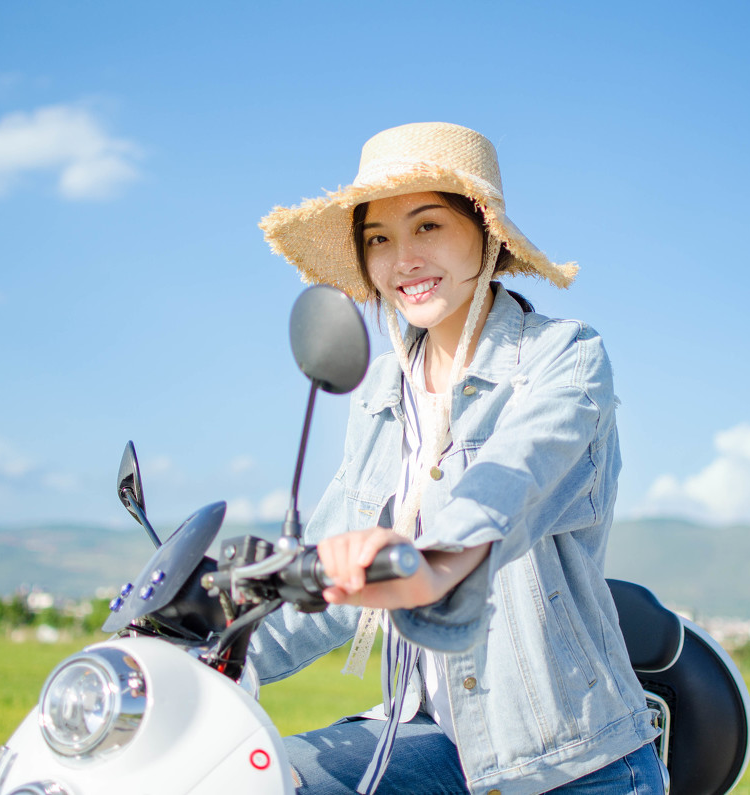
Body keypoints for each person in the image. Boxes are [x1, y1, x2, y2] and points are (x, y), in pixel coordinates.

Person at [251, 122, 665, 795]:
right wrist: (211, 646)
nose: (402, 259)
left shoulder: (563, 358)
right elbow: (327, 572)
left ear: (485, 230)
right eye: (378, 239)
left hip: (569, 761)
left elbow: (512, 484)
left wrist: (427, 562)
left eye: (427, 226)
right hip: (433, 740)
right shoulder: (382, 394)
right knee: (264, 776)